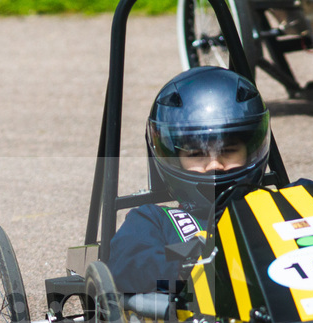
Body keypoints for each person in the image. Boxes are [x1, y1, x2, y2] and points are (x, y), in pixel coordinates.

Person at [108, 66, 271, 295]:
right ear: (174, 159)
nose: (215, 164)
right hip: (207, 322)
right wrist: (187, 267)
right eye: (197, 154)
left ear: (251, 150)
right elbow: (127, 266)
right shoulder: (154, 220)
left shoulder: (284, 204)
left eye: (229, 150)